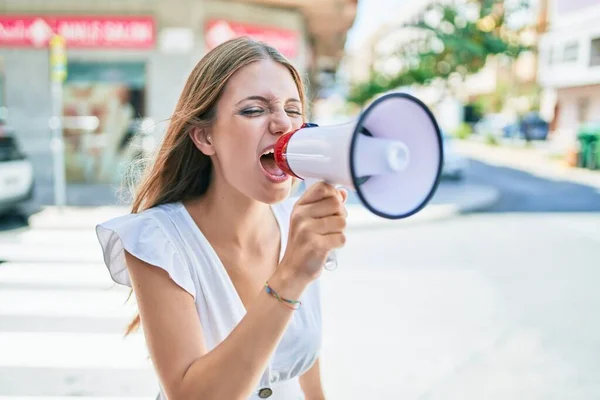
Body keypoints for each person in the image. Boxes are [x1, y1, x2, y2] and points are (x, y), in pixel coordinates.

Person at [96, 36, 348, 400]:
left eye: (293, 110)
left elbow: (307, 366)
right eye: (253, 110)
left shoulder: (298, 219)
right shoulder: (157, 241)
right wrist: (291, 274)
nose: (282, 124)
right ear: (204, 137)